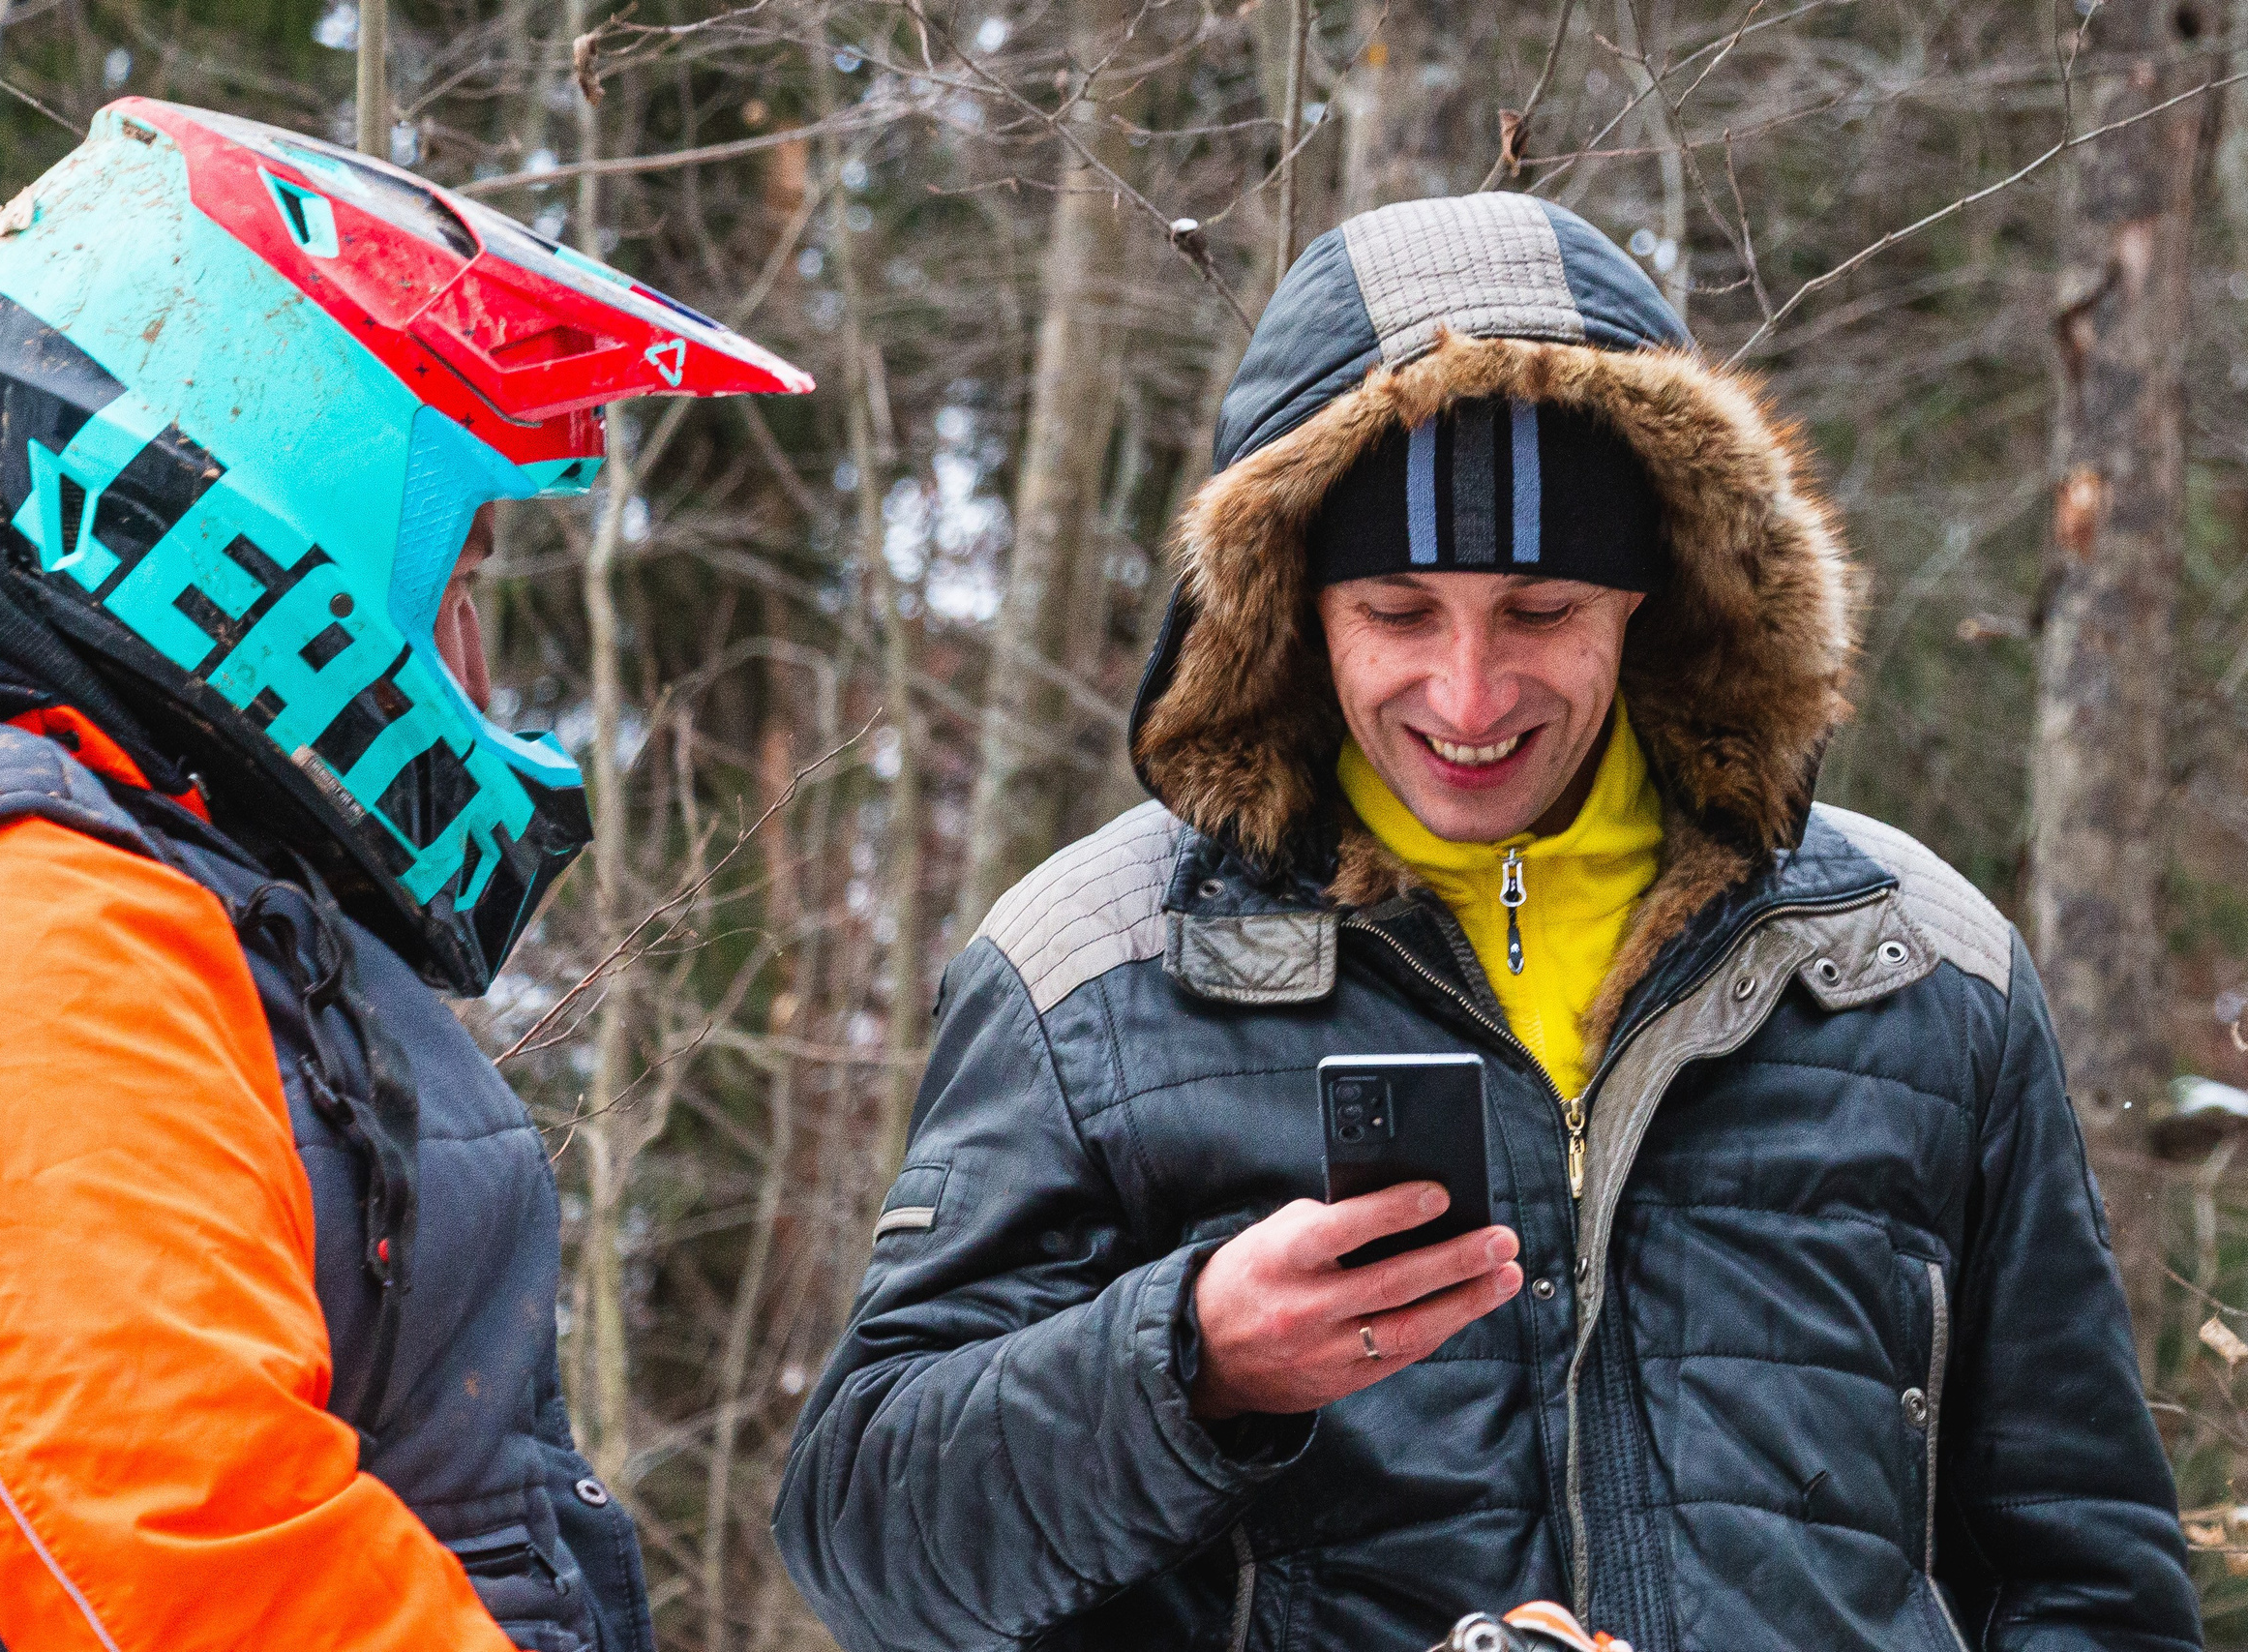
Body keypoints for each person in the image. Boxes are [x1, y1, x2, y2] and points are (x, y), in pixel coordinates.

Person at [775, 195, 2198, 1651]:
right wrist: (1188, 1362)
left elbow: (2089, 1579)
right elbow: (865, 1541)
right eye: (1397, 610)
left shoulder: (1914, 966)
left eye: (1540, 609)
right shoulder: (1090, 971)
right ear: (1289, 608)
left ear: (1654, 598)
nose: (1467, 698)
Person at [0, 99, 808, 1649]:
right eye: (454, 583)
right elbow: (197, 1550)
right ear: (267, 525)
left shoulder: (72, 844)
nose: (465, 654)